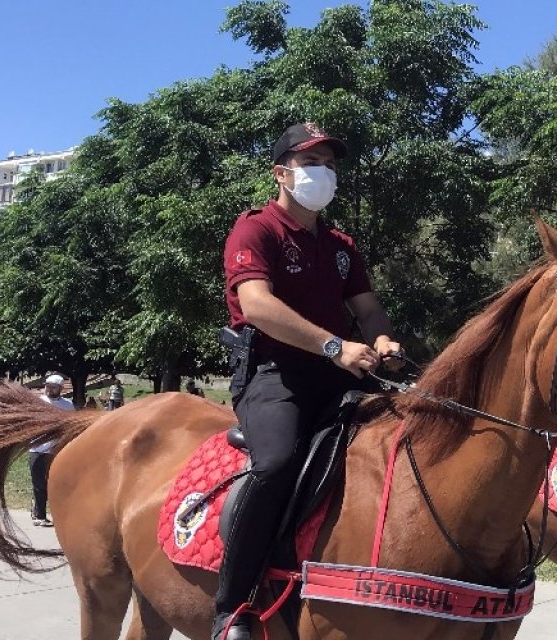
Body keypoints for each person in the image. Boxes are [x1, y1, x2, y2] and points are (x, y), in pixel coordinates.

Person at [213, 122, 404, 640]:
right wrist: (335, 347)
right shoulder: (256, 230)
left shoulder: (342, 245)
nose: (324, 174)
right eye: (311, 164)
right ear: (282, 173)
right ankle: (233, 607)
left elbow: (368, 311)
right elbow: (256, 305)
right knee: (275, 465)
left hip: (339, 375)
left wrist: (383, 342)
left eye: (331, 166)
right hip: (275, 376)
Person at [31, 374, 74, 526]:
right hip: (38, 449)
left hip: (57, 450)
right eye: (47, 386)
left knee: (55, 484)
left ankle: (61, 517)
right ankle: (39, 515)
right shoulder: (38, 402)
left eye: (53, 386)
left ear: (61, 388)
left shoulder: (68, 405)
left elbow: (71, 427)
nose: (49, 389)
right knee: (38, 484)